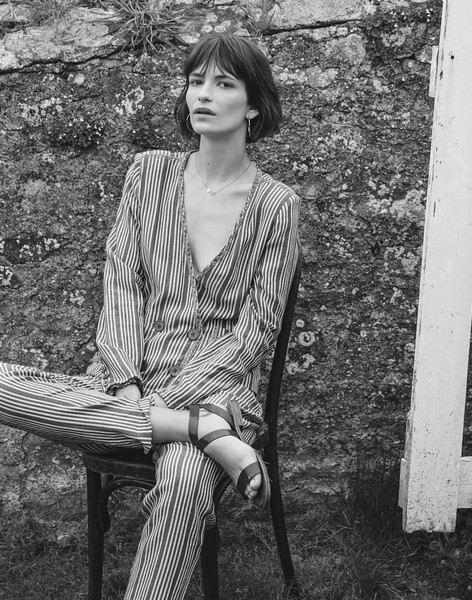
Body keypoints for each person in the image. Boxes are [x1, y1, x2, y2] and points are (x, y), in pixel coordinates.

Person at [0, 32, 300, 600]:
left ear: (254, 105)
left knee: (184, 476)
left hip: (219, 388)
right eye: (195, 81)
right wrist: (125, 379)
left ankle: (193, 427)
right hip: (129, 379)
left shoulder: (276, 205)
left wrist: (169, 402)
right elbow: (121, 285)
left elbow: (256, 331)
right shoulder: (148, 173)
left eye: (223, 84)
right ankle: (202, 433)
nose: (202, 94)